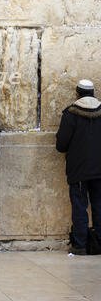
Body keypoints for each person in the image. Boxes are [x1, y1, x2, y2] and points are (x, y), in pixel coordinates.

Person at [56, 79, 101, 255]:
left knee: (79, 206)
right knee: (99, 204)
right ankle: (99, 243)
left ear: (77, 93)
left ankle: (80, 244)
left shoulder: (71, 114)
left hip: (79, 170)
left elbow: (61, 145)